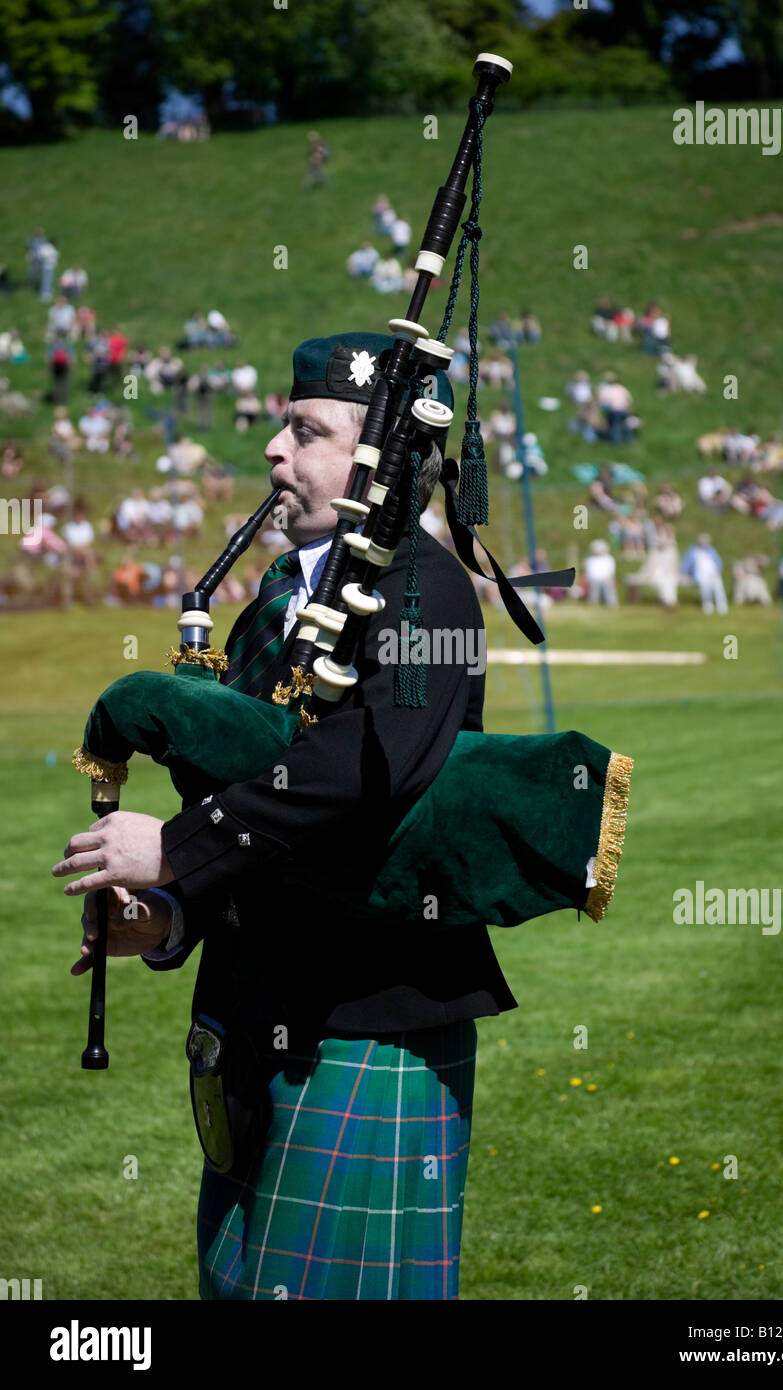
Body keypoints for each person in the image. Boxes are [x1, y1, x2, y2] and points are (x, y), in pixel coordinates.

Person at [54, 330, 544, 1302]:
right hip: (248, 1014)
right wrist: (171, 914)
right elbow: (241, 811)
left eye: (305, 430)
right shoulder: (274, 605)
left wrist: (175, 849)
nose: (275, 451)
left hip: (368, 1021)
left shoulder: (426, 591)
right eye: (282, 426)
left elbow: (364, 771)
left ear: (379, 456)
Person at [680, 533, 727, 614]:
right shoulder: (692, 551)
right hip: (700, 575)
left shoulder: (711, 550)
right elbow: (686, 564)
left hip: (713, 574)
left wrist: (718, 571)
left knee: (718, 585)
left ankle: (721, 606)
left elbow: (718, 562)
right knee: (705, 586)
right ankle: (707, 605)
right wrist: (684, 574)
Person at [584, 539, 617, 606]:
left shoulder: (609, 558)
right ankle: (593, 604)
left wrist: (611, 578)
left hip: (606, 578)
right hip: (594, 579)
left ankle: (612, 604)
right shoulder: (590, 559)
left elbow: (611, 570)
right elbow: (589, 570)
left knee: (610, 592)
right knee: (593, 593)